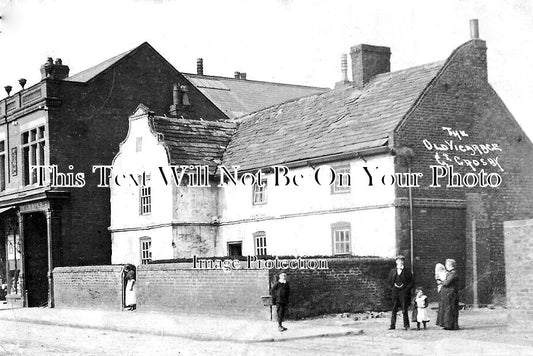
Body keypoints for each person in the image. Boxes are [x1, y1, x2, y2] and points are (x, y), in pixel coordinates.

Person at [388, 255, 414, 330]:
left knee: (404, 309)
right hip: (395, 292)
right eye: (399, 261)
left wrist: (406, 289)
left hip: (404, 292)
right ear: (396, 262)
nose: (400, 262)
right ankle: (392, 325)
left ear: (403, 262)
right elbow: (389, 282)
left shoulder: (407, 271)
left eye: (402, 261)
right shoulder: (393, 271)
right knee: (394, 309)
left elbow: (412, 282)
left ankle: (406, 325)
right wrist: (393, 288)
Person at [438, 258, 460, 330]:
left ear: (450, 265)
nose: (445, 266)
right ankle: (447, 324)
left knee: (449, 309)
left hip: (450, 294)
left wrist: (441, 282)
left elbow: (447, 282)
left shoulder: (453, 273)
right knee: (447, 309)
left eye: (446, 264)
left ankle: (450, 325)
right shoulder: (450, 273)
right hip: (448, 294)